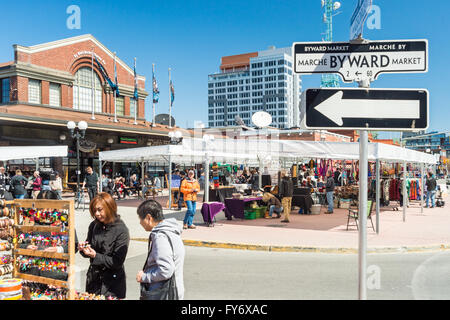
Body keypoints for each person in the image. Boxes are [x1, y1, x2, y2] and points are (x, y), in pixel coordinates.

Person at [79, 192, 130, 299]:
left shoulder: (121, 229)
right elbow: (89, 246)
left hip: (112, 284)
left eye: (100, 210)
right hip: (94, 280)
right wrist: (84, 249)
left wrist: (95, 256)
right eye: (94, 211)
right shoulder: (94, 225)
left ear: (110, 207)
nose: (97, 214)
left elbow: (117, 262)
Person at [136, 200, 185, 300]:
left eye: (141, 219)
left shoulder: (160, 237)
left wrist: (144, 277)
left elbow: (165, 270)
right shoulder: (171, 231)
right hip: (174, 290)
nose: (140, 222)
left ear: (149, 217)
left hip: (163, 294)